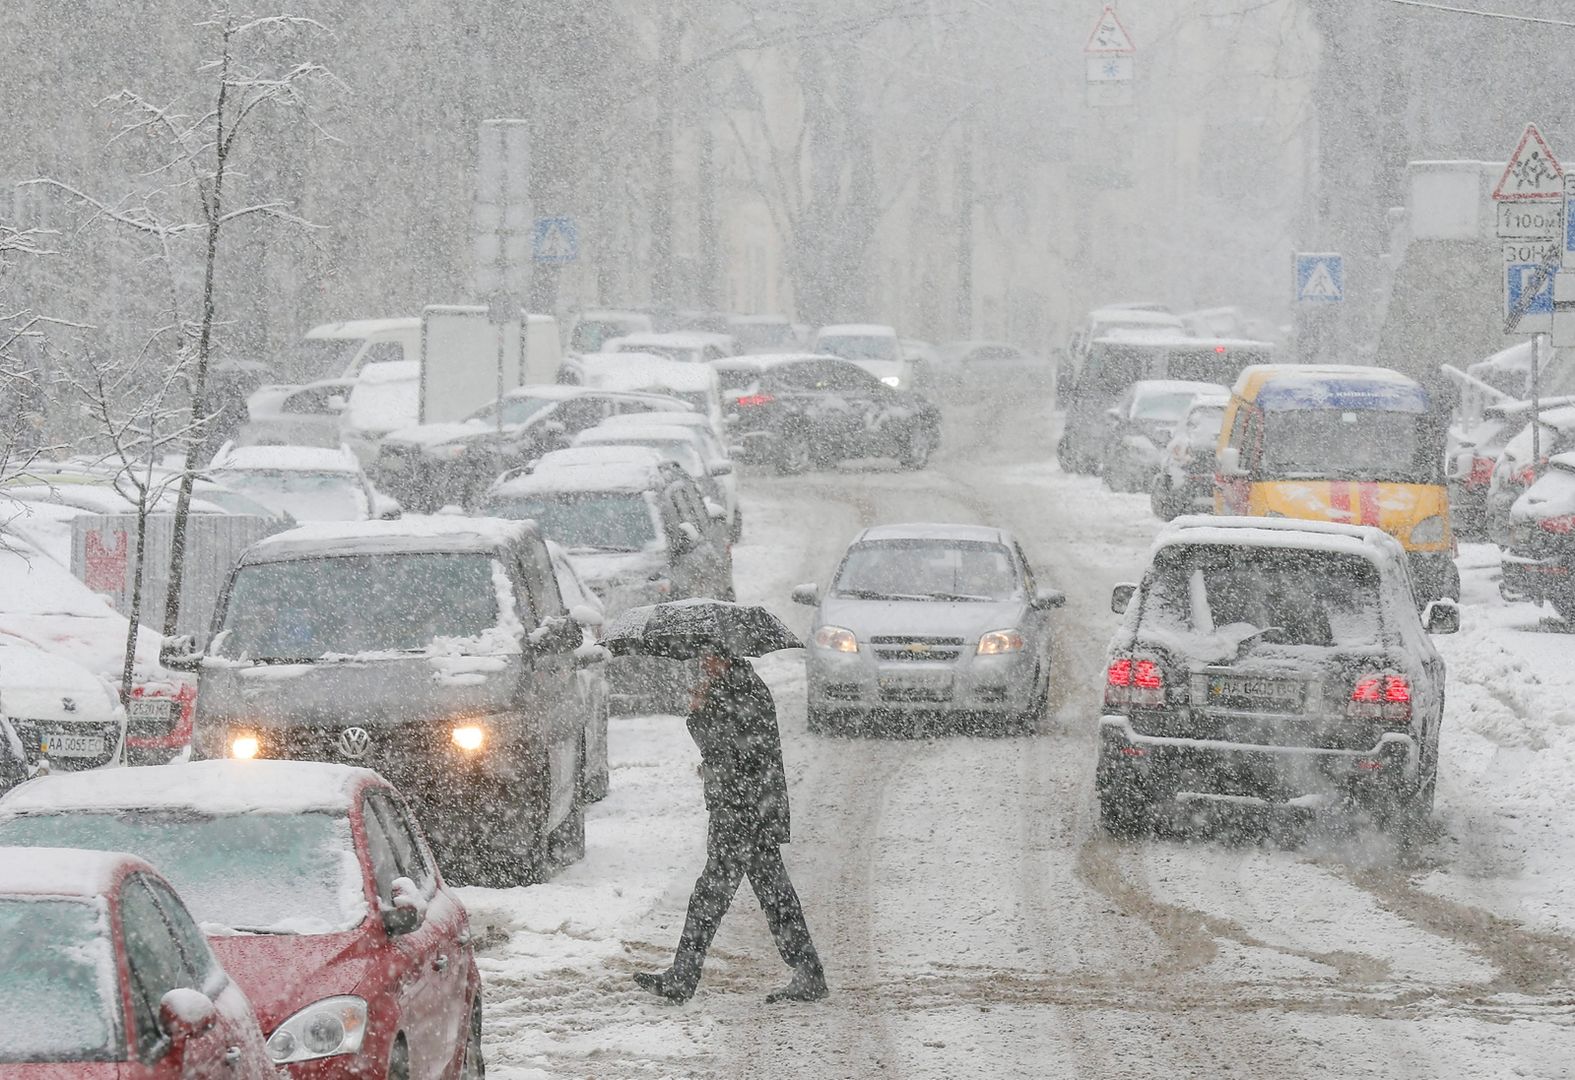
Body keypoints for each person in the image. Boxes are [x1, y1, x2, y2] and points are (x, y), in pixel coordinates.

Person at [633, 650, 827, 1004]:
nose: (702, 663)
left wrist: (698, 712)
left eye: (708, 656)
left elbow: (727, 750)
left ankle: (684, 975)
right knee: (773, 895)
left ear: (724, 657)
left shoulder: (739, 691)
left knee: (711, 897)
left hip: (743, 813)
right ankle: (808, 971)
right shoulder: (739, 687)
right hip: (749, 810)